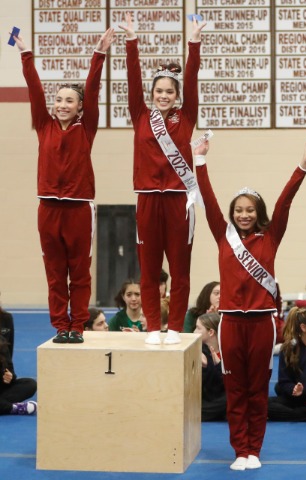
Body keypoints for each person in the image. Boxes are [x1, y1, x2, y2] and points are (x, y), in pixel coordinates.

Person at [193, 138, 306, 471]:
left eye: (250, 210)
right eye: (239, 210)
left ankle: (254, 450)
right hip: (231, 324)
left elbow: (285, 201)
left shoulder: (271, 236)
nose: (244, 215)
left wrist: (303, 165)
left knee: (257, 390)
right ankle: (239, 449)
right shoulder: (223, 235)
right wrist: (200, 161)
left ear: (259, 213)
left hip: (263, 323)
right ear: (232, 214)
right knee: (235, 389)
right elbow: (208, 200)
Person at [14, 28, 115, 344]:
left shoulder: (86, 128)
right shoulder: (44, 125)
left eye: (69, 100)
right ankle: (61, 325)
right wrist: (25, 53)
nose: (61, 104)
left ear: (80, 107)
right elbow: (34, 90)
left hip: (79, 209)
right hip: (48, 208)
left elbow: (93, 89)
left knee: (79, 273)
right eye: (58, 99)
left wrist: (99, 53)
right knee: (55, 273)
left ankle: (78, 325)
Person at [118, 14, 205, 345]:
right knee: (149, 269)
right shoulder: (140, 115)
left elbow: (192, 79)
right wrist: (132, 41)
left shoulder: (187, 117)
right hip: (147, 199)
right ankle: (153, 326)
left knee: (180, 271)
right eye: (159, 91)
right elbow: (132, 78)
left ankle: (175, 328)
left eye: (170, 91)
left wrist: (194, 43)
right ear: (151, 93)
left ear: (177, 95)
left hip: (179, 201)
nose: (164, 95)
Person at [0, 301, 37, 415]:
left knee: (30, 384)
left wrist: (8, 376)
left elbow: (8, 363)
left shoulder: (2, 340)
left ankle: (2, 404)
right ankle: (11, 407)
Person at [194, 313, 226, 421]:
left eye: (198, 328)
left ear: (211, 332)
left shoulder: (228, 351)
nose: (194, 332)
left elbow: (233, 384)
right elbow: (206, 389)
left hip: (222, 398)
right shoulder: (199, 352)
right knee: (232, 400)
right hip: (207, 400)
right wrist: (206, 368)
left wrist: (218, 366)